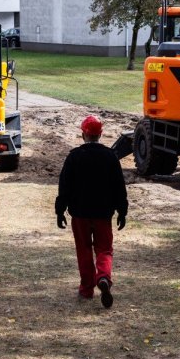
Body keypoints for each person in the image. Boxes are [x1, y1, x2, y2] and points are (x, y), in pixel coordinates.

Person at [55, 115, 128, 309]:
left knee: (84, 249)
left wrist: (60, 210)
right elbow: (119, 187)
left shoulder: (74, 156)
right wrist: (122, 211)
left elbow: (65, 186)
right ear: (100, 134)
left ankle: (86, 288)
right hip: (103, 213)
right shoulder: (110, 156)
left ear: (83, 134)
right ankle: (103, 276)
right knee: (104, 249)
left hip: (79, 213)